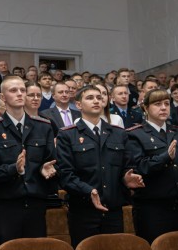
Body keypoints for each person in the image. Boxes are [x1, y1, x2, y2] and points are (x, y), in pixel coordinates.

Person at [56, 85, 144, 248]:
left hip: (113, 209)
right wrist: (89, 191)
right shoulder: (67, 134)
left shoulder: (119, 133)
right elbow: (66, 174)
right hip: (83, 210)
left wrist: (128, 178)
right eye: (90, 98)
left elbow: (127, 166)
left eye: (99, 97)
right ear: (79, 104)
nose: (96, 101)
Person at [0, 75, 57, 250]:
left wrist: (48, 171)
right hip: (6, 206)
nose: (20, 94)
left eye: (23, 90)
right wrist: (14, 169)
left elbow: (53, 162)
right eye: (13, 90)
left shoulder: (43, 126)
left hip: (36, 206)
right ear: (2, 97)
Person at [126, 88, 178, 244]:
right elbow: (139, 168)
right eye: (158, 104)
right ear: (145, 108)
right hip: (153, 209)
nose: (164, 107)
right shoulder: (135, 134)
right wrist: (165, 158)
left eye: (167, 103)